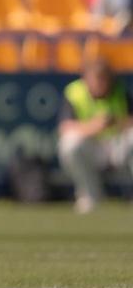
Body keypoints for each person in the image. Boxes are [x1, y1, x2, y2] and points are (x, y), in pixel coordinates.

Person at [57, 58, 133, 214]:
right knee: (69, 144)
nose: (99, 83)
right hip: (91, 146)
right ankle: (89, 196)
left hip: (117, 146)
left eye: (103, 78)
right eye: (95, 79)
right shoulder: (74, 92)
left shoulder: (121, 90)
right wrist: (95, 126)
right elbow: (65, 127)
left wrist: (116, 122)